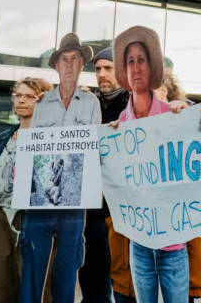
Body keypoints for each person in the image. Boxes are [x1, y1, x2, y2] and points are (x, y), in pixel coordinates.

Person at [104, 26, 201, 303]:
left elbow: (195, 168)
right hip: (139, 245)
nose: (136, 68)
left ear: (152, 67)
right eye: (130, 61)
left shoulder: (175, 115)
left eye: (141, 60)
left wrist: (187, 121)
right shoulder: (119, 127)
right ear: (124, 70)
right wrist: (111, 146)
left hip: (173, 245)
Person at [21, 33, 102, 303]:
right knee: (33, 269)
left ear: (82, 66)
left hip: (75, 201)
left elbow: (96, 151)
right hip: (39, 199)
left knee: (67, 271)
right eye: (64, 60)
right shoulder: (41, 103)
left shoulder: (92, 103)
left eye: (75, 59)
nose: (69, 65)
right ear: (56, 66)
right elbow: (31, 150)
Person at [0, 77, 52, 302]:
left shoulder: (51, 136)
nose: (21, 101)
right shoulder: (5, 136)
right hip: (1, 216)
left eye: (29, 96)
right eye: (18, 95)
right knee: (0, 284)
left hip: (33, 218)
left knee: (34, 287)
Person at [81, 47, 128, 303]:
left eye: (108, 68)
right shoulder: (88, 104)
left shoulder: (132, 104)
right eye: (97, 69)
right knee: (91, 282)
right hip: (90, 209)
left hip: (120, 212)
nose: (101, 74)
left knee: (122, 283)